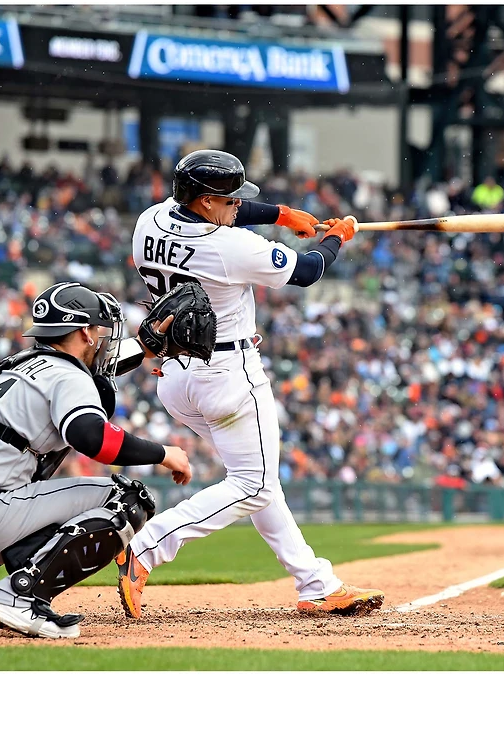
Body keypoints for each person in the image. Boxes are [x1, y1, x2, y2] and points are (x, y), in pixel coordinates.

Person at [118, 148, 385, 618]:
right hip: (227, 375)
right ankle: (148, 548)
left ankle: (316, 584)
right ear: (204, 201)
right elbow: (307, 271)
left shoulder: (151, 220)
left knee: (257, 479)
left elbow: (227, 215)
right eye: (230, 200)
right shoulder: (229, 247)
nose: (239, 207)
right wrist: (338, 237)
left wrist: (282, 215)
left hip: (175, 376)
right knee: (255, 483)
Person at [0, 282, 191, 639]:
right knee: (128, 499)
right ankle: (21, 597)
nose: (102, 339)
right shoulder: (69, 376)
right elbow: (92, 438)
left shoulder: (14, 367)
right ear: (84, 332)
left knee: (17, 507)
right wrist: (164, 454)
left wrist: (146, 348)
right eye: (98, 330)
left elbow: (97, 367)